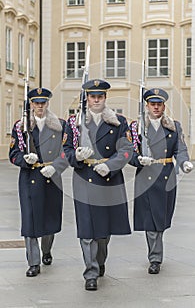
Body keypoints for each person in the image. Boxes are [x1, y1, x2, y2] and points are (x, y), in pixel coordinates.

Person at [63, 79, 133, 291]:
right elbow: (64, 150)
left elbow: (127, 150)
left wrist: (110, 165)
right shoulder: (74, 123)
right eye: (92, 96)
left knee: (103, 231)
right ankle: (90, 272)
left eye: (100, 96)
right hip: (84, 178)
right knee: (87, 229)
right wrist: (75, 155)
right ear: (87, 99)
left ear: (105, 98)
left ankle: (100, 260)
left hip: (108, 180)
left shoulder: (118, 122)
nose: (96, 100)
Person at [129, 87, 193, 275]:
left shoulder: (174, 126)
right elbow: (129, 151)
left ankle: (155, 250)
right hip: (145, 176)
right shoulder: (137, 127)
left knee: (161, 218)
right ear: (146, 106)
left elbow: (179, 149)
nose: (156, 107)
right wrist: (137, 159)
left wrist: (184, 162)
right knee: (150, 220)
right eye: (152, 104)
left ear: (164, 106)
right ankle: (155, 258)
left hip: (165, 175)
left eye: (159, 104)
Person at [9, 88, 68, 277]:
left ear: (47, 103)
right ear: (31, 105)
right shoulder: (21, 127)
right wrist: (25, 160)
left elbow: (66, 152)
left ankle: (47, 249)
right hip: (30, 178)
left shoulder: (60, 125)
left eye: (43, 103)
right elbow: (13, 154)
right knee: (30, 219)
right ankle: (33, 262)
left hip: (51, 177)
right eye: (36, 103)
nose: (40, 106)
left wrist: (56, 167)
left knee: (50, 217)